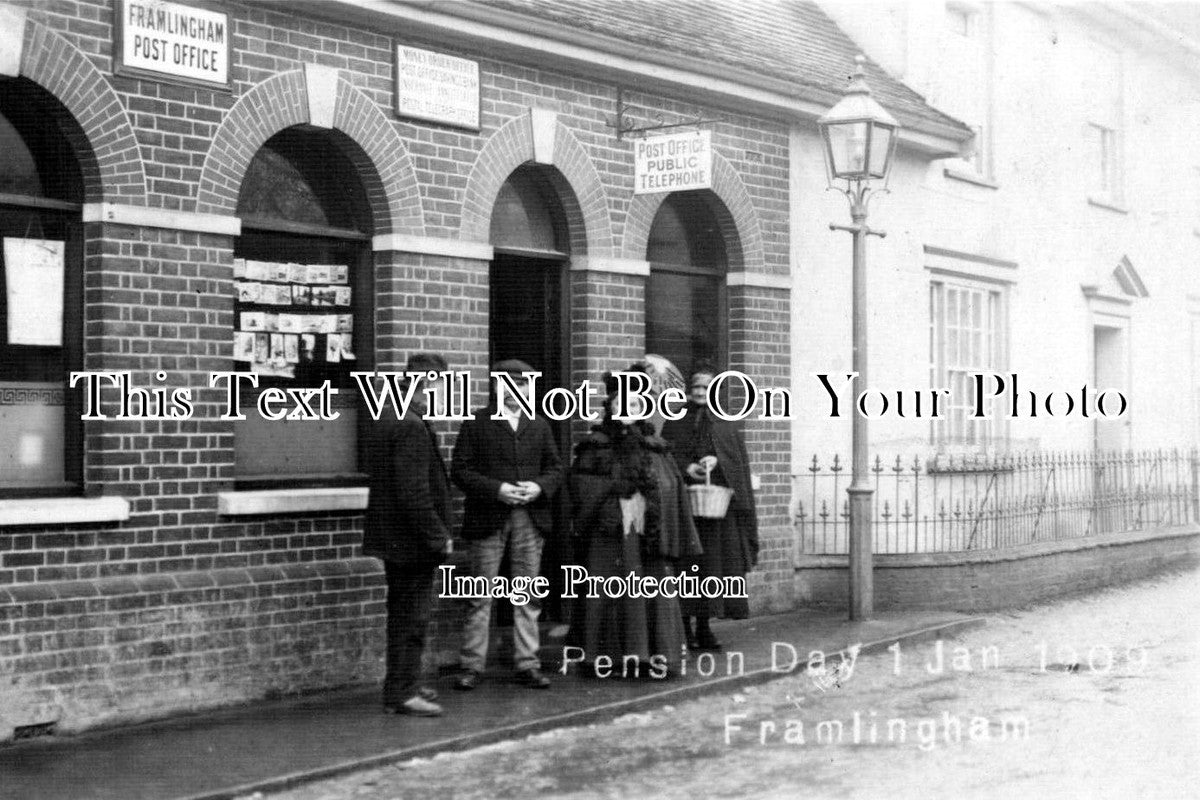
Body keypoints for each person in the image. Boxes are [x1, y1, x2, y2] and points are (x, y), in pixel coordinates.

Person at [451, 359, 563, 690]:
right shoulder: (476, 423)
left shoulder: (540, 425)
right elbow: (461, 470)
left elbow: (556, 468)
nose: (516, 392)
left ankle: (527, 663)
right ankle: (472, 665)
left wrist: (539, 486)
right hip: (488, 518)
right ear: (497, 387)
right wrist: (497, 489)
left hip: (529, 519)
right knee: (480, 594)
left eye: (523, 385)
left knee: (527, 594)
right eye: (508, 385)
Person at [362, 353, 453, 716]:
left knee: (403, 615)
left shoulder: (390, 413)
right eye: (439, 384)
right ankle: (402, 693)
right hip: (411, 541)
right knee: (411, 618)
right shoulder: (411, 424)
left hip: (395, 538)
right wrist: (437, 536)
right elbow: (413, 491)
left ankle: (403, 685)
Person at [661, 362, 759, 652]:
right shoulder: (676, 420)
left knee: (711, 571)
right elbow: (665, 457)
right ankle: (686, 628)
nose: (701, 392)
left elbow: (737, 465)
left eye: (707, 387)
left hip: (718, 512)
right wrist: (686, 466)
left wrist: (717, 463)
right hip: (687, 509)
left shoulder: (727, 425)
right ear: (689, 391)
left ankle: (704, 628)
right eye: (696, 387)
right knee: (686, 570)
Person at [569, 376, 660, 677]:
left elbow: (665, 483)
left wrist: (649, 492)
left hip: (639, 527)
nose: (627, 409)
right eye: (621, 404)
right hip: (606, 527)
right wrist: (611, 486)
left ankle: (639, 652)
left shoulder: (650, 443)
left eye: (634, 404)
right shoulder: (596, 443)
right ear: (610, 407)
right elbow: (580, 484)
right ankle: (598, 654)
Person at [627, 357, 703, 674]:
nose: (637, 406)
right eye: (630, 400)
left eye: (643, 400)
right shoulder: (615, 440)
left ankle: (659, 652)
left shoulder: (654, 442)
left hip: (655, 528)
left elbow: (669, 481)